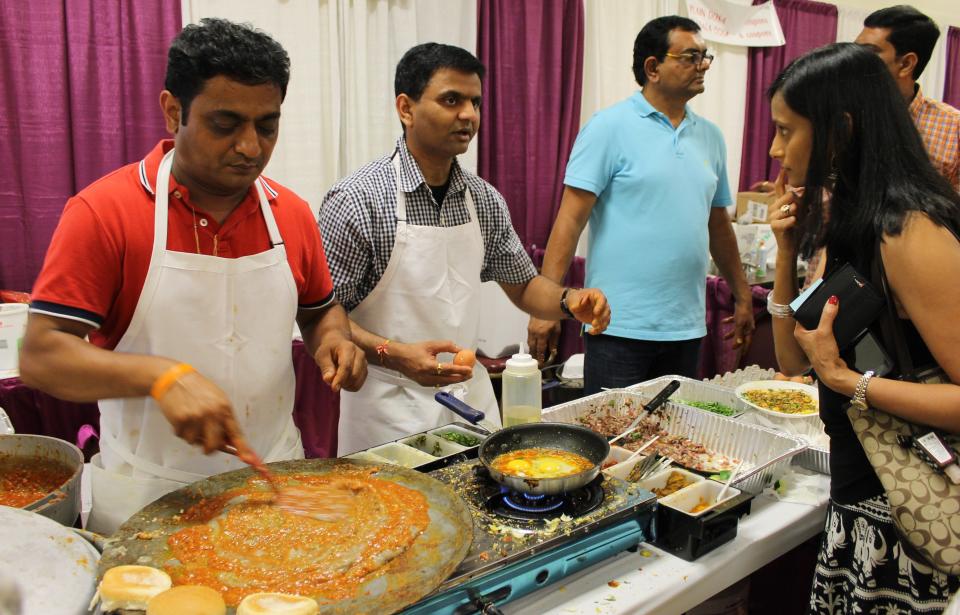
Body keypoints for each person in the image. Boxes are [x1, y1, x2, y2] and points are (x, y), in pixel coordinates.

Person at [18, 18, 367, 534]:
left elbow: (318, 313)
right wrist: (161, 377)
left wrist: (334, 341)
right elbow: (41, 356)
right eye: (226, 124)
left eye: (266, 125)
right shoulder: (103, 213)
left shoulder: (290, 214)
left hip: (274, 481)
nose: (251, 146)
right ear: (173, 110)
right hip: (151, 496)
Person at [319, 43, 610, 454]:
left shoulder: (483, 199)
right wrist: (394, 353)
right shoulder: (358, 200)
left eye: (475, 101)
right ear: (406, 108)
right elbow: (325, 315)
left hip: (468, 401)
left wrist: (569, 300)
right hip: (386, 406)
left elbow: (525, 286)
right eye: (451, 100)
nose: (469, 115)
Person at [765, 42, 960, 612]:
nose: (776, 150)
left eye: (786, 131)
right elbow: (794, 361)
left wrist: (849, 382)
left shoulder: (910, 231)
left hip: (910, 512)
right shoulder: (850, 218)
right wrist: (784, 253)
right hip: (860, 496)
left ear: (841, 129)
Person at [527, 16, 753, 394]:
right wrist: (546, 307)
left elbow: (718, 227)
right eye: (690, 56)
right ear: (653, 67)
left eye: (705, 56)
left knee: (675, 446)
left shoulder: (711, 138)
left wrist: (742, 295)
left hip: (685, 328)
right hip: (616, 326)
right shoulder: (608, 127)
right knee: (617, 446)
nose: (703, 66)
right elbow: (569, 221)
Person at [856, 5, 959, 191]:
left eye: (868, 52)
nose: (854, 61)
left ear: (906, 64)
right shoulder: (840, 113)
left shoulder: (954, 128)